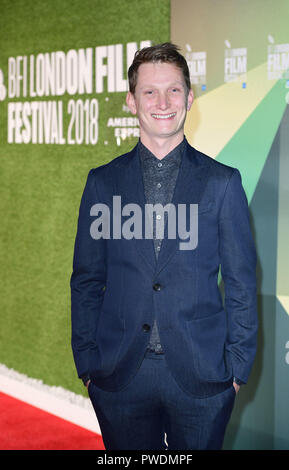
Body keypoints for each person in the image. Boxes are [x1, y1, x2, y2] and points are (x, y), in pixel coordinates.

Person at [70, 42, 258, 450]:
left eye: (173, 90)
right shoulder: (102, 183)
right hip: (119, 378)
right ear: (131, 101)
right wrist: (87, 364)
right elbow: (87, 279)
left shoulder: (222, 183)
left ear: (189, 97)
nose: (162, 102)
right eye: (149, 91)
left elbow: (242, 283)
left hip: (204, 381)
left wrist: (237, 372)